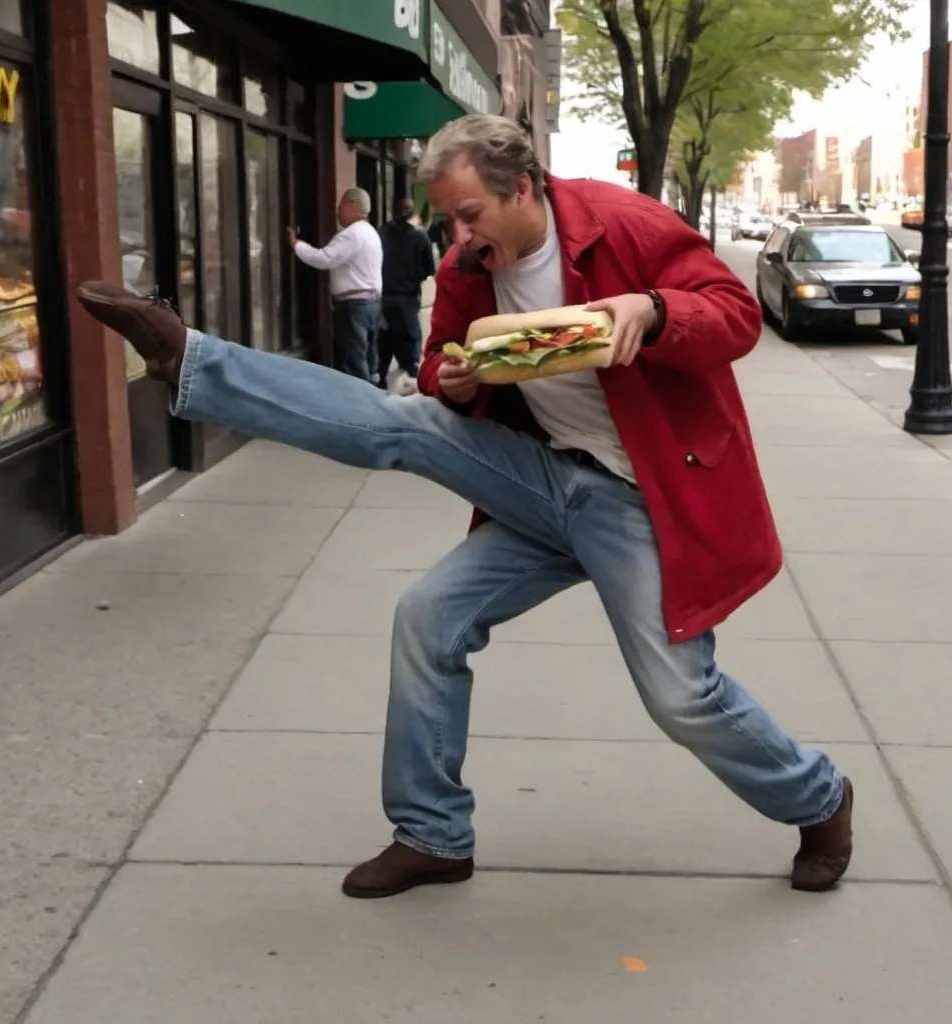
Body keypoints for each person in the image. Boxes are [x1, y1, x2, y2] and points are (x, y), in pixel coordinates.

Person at [77, 114, 853, 902]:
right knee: (423, 578)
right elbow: (443, 362)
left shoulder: (624, 223)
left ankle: (820, 797)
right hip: (542, 480)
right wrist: (456, 381)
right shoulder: (466, 269)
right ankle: (432, 832)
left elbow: (735, 315)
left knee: (682, 699)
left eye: (470, 214)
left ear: (522, 187)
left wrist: (652, 311)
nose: (460, 234)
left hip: (641, 502)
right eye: (448, 218)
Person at [288, 187, 382, 382]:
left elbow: (324, 258)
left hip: (354, 307)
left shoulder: (353, 234)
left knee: (354, 360)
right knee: (368, 359)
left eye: (341, 206)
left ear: (354, 207)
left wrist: (296, 244)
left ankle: (362, 404)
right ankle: (375, 395)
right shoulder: (371, 233)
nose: (338, 211)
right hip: (371, 304)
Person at [376, 197, 436, 392]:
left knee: (384, 344)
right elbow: (429, 269)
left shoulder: (382, 233)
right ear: (412, 213)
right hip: (407, 299)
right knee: (410, 346)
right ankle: (411, 385)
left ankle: (379, 385)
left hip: (384, 297)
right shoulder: (420, 236)